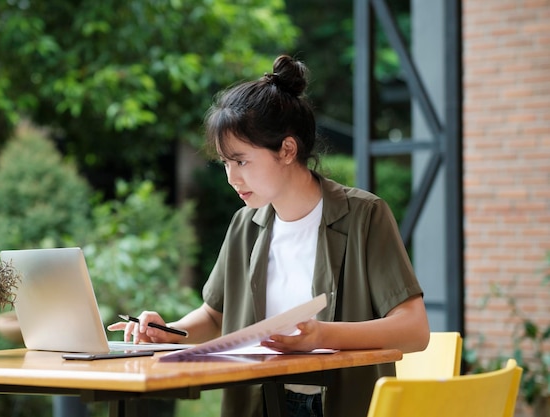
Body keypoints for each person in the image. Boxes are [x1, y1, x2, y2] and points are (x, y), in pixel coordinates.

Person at [108, 55, 430, 417]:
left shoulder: (364, 215)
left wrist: (322, 336)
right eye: (225, 163)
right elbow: (214, 316)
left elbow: (414, 329)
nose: (232, 178)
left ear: (287, 150)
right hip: (259, 403)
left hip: (339, 403)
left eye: (241, 161)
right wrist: (169, 332)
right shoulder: (245, 224)